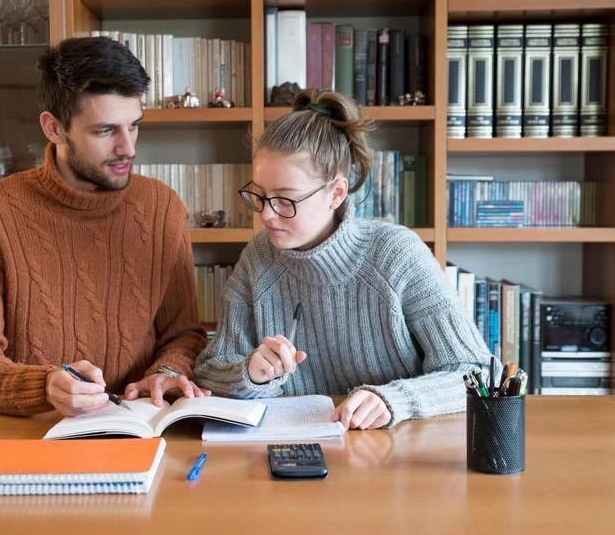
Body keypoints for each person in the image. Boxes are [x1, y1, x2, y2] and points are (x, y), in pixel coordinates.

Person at [194, 88, 499, 430]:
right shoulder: (259, 258)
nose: (265, 214)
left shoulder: (396, 254)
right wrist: (249, 372)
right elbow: (209, 371)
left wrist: (394, 399)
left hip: (393, 460)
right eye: (260, 196)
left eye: (285, 200)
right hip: (294, 452)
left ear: (336, 193)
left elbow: (476, 373)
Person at [0, 37, 209, 417]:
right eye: (105, 131)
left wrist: (166, 372)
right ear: (53, 128)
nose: (128, 148)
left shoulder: (161, 206)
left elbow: (183, 335)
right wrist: (45, 385)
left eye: (133, 126)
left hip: (143, 430)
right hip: (30, 439)